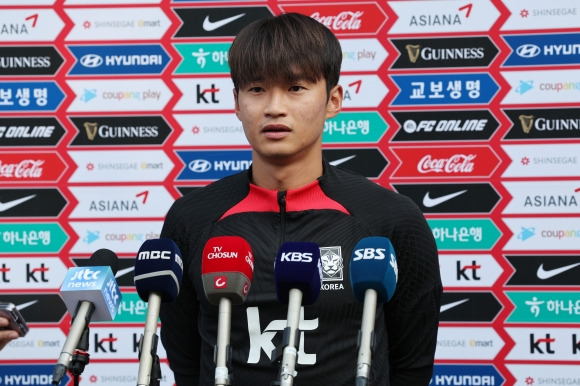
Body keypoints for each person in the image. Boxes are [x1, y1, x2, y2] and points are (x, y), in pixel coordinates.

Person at [159, 12, 442, 385]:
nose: (274, 107)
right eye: (257, 89)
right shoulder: (191, 219)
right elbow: (188, 363)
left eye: (295, 88)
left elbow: (411, 367)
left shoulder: (391, 220)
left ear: (333, 100)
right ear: (237, 102)